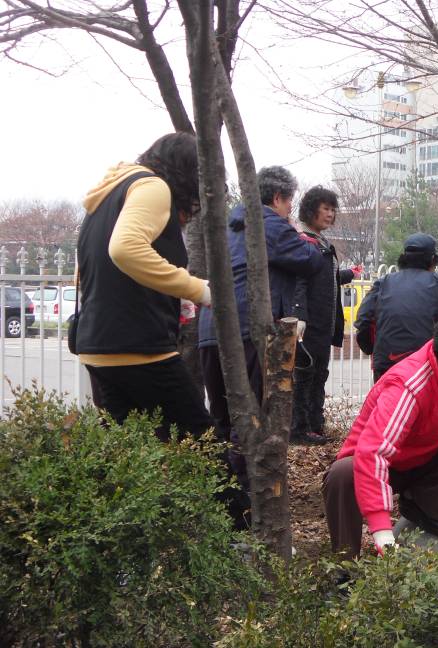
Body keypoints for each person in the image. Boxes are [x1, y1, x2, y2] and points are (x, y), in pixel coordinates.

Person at [323, 302, 438, 557]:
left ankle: (424, 505)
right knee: (343, 474)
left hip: (424, 459)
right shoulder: (408, 385)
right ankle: (345, 563)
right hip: (382, 468)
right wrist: (382, 531)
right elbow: (374, 453)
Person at [197, 166, 324, 523]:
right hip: (247, 331)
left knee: (221, 419)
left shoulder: (230, 224)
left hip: (213, 326)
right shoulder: (270, 224)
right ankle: (242, 510)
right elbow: (310, 261)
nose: (289, 211)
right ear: (278, 198)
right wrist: (305, 238)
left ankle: (216, 501)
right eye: (289, 203)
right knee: (248, 418)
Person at [75, 132, 212, 441]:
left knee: (135, 456)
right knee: (203, 449)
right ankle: (233, 493)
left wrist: (168, 291)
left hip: (98, 347)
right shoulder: (152, 186)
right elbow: (124, 249)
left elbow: (89, 262)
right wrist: (196, 289)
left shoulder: (107, 195)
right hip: (138, 347)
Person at [293, 186, 359, 444]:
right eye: (326, 209)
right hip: (309, 324)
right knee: (305, 375)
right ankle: (300, 429)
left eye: (333, 209)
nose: (331, 214)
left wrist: (348, 275)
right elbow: (300, 281)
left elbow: (326, 280)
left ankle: (315, 426)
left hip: (324, 324)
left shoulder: (322, 243)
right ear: (311, 210)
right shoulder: (302, 242)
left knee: (319, 374)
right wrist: (300, 316)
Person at [355, 233, 438, 381]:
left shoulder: (383, 283)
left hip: (386, 364)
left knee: (387, 403)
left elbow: (363, 320)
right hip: (426, 366)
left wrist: (371, 348)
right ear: (432, 260)